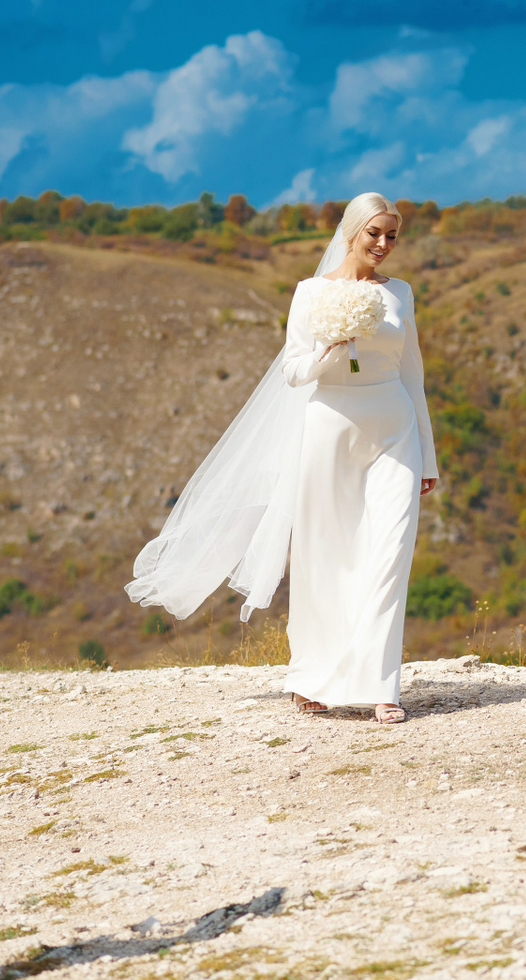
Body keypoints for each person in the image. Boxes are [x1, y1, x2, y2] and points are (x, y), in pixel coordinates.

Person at [127, 193, 439, 725]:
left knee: (390, 554)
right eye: (375, 234)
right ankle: (311, 677)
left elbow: (413, 375)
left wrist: (427, 456)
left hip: (395, 431)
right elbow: (292, 372)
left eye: (392, 236)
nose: (384, 244)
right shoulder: (310, 292)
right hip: (328, 429)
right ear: (351, 232)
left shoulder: (401, 293)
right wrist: (332, 347)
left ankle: (381, 687)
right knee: (323, 555)